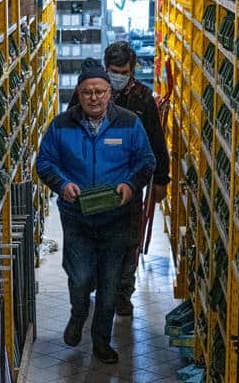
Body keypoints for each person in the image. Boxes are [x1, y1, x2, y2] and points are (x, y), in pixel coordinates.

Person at [36, 66, 156, 363]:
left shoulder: (129, 122)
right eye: (87, 92)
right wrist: (62, 184)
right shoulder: (61, 125)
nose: (94, 98)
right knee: (80, 277)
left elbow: (146, 160)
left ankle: (101, 341)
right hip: (77, 216)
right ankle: (78, 314)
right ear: (78, 94)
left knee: (109, 283)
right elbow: (45, 162)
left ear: (109, 93)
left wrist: (130, 185)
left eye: (100, 92)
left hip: (116, 217)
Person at [69, 42, 171, 316]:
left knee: (128, 240)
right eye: (113, 71)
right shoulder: (88, 91)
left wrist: (161, 179)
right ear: (106, 68)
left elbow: (156, 141)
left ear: (132, 70)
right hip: (92, 181)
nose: (118, 76)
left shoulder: (142, 98)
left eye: (123, 72)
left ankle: (122, 293)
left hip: (128, 183)